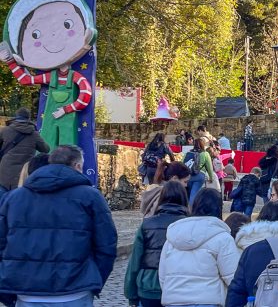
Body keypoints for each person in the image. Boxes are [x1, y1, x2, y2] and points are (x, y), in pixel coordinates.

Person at [0, 145, 117, 306]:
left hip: (27, 292)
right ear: (77, 166)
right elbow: (106, 246)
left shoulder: (13, 198)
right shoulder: (90, 197)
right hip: (75, 290)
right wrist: (92, 281)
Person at [159, 189, 239, 306]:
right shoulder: (223, 238)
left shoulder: (173, 237)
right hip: (208, 300)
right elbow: (233, 277)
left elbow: (163, 276)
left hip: (173, 300)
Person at [125, 181, 189, 307]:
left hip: (149, 285)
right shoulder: (190, 225)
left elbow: (135, 261)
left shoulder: (147, 224)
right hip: (179, 287)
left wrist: (131, 294)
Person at [0, 108, 49, 191]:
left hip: (5, 171)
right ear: (28, 118)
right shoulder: (34, 134)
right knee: (19, 195)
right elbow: (46, 149)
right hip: (24, 173)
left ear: (16, 117)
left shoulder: (5, 131)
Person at [185, 137, 215, 205]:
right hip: (199, 176)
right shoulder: (205, 154)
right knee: (194, 194)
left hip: (188, 176)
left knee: (188, 193)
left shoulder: (188, 153)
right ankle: (191, 209)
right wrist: (211, 178)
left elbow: (183, 163)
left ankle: (186, 208)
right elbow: (209, 167)